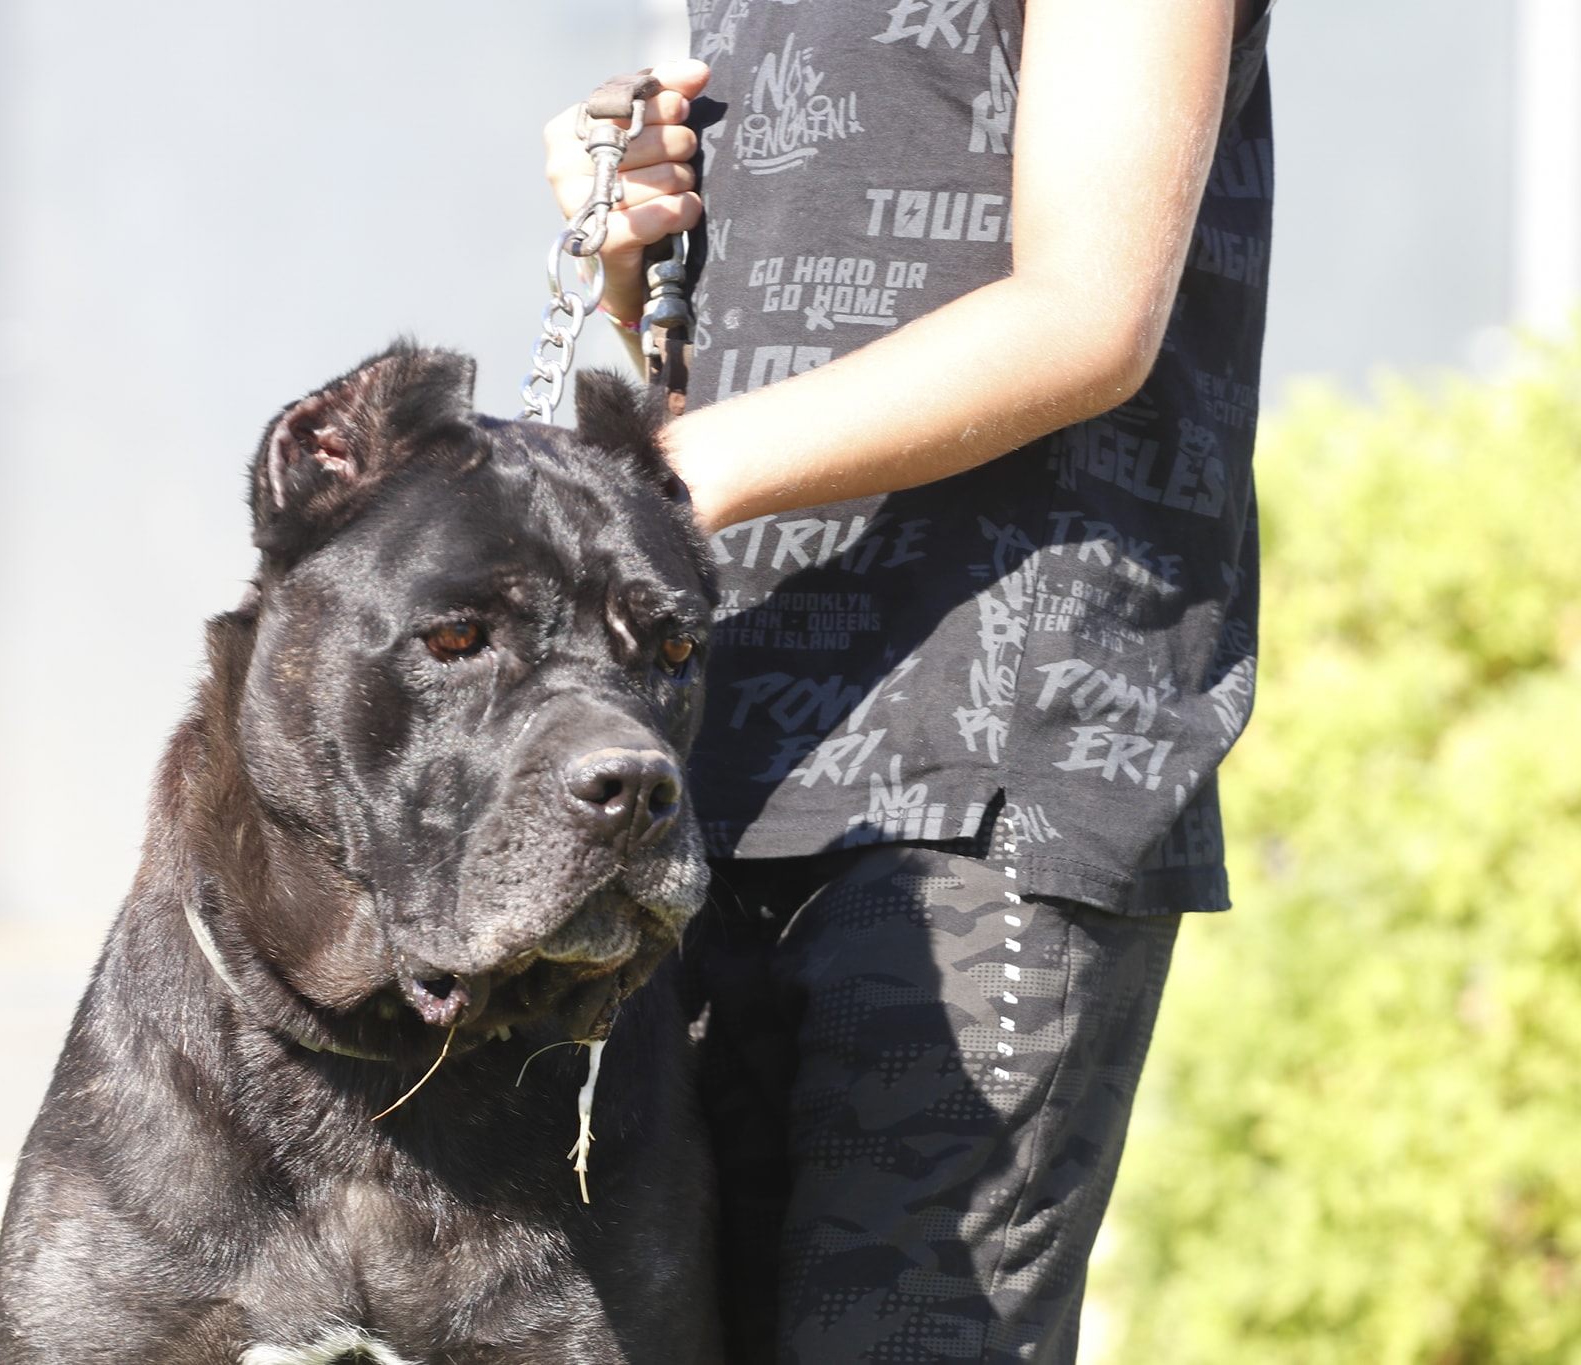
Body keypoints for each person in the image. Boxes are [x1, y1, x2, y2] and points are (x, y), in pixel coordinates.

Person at [543, 2, 1274, 1361]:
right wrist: (642, 248)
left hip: (1000, 761)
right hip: (721, 751)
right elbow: (732, 358)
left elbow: (1090, 312)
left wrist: (660, 479)